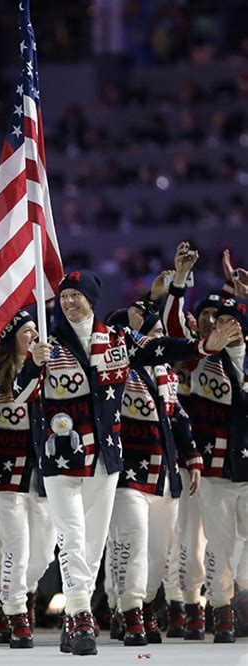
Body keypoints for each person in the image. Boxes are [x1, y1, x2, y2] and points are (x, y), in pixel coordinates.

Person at [11, 269, 240, 656]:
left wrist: (202, 347)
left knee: (95, 541)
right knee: (70, 533)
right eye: (64, 297)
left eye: (75, 296)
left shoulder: (117, 339)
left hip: (105, 457)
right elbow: (19, 396)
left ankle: (75, 615)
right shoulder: (48, 345)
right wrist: (33, 363)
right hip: (61, 458)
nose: (69, 302)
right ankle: (80, 613)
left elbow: (161, 349)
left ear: (91, 299)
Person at [163, 249, 248, 643]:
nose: (221, 325)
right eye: (214, 317)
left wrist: (239, 292)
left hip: (243, 467)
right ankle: (213, 608)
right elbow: (174, 333)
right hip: (206, 465)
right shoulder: (201, 359)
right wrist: (180, 281)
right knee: (201, 541)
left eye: (230, 319)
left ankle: (234, 598)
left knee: (237, 548)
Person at [106, 303, 203, 646]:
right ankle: (130, 612)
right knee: (132, 543)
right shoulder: (119, 364)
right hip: (128, 472)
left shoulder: (168, 376)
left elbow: (177, 417)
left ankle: (143, 603)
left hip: (164, 473)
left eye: (162, 333)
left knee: (159, 552)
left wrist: (191, 457)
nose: (161, 339)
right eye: (155, 333)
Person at [0, 310, 57, 648]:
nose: (33, 335)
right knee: (11, 546)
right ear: (12, 337)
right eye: (26, 330)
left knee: (43, 553)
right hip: (3, 473)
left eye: (36, 329)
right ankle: (12, 614)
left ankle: (17, 595)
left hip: (44, 475)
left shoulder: (50, 374)